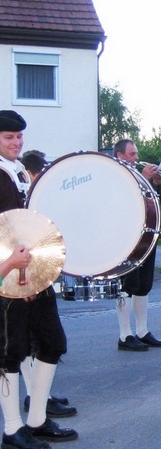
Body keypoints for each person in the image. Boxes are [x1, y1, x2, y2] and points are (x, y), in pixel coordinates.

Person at [0, 109, 77, 448]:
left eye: (18, 137)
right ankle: (13, 429)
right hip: (8, 277)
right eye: (8, 138)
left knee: (52, 343)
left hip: (33, 273)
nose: (16, 143)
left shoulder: (18, 173)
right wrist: (15, 274)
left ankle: (37, 419)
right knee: (9, 353)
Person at [18, 149, 77, 419]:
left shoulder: (23, 182)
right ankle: (34, 401)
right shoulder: (15, 182)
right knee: (33, 343)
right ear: (34, 172)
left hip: (33, 271)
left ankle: (39, 400)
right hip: (20, 275)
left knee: (43, 342)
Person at [113, 139, 161, 351]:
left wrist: (156, 185)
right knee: (127, 286)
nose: (136, 158)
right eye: (132, 154)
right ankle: (125, 334)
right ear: (120, 155)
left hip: (145, 235)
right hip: (126, 238)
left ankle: (142, 330)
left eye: (136, 153)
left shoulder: (135, 175)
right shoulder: (116, 175)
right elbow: (125, 201)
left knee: (144, 285)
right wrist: (145, 178)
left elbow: (152, 205)